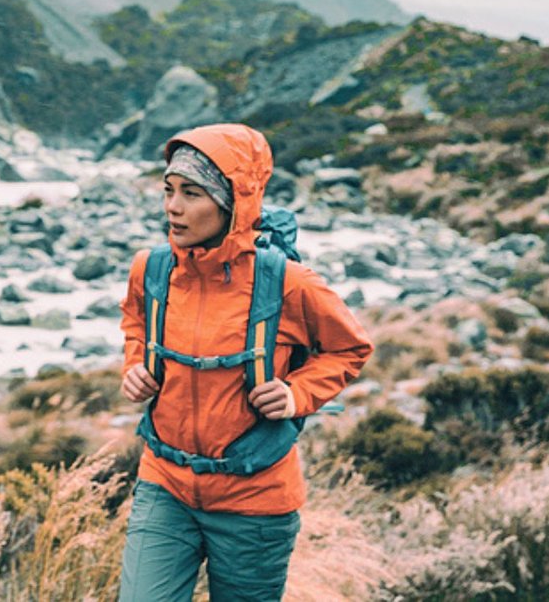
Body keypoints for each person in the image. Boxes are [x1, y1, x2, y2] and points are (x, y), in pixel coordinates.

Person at [117, 124, 373, 601]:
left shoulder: (289, 282)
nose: (173, 207)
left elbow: (350, 348)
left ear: (233, 200)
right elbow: (135, 320)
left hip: (255, 499)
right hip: (165, 481)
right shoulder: (150, 268)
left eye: (192, 193)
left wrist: (298, 394)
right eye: (168, 190)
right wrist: (136, 363)